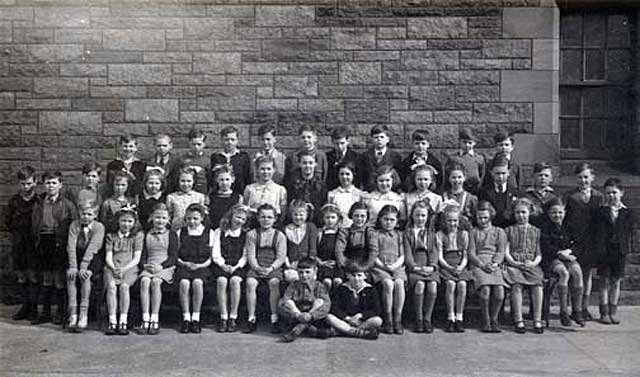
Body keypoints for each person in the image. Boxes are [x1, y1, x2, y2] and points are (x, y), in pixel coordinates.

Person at [31, 171, 77, 325]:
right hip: (42, 241)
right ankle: (45, 312)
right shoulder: (39, 202)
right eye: (48, 183)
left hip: (58, 242)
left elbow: (74, 224)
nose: (50, 186)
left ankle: (60, 312)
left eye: (54, 183)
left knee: (58, 278)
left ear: (60, 185)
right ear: (43, 184)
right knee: (45, 278)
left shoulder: (67, 204)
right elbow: (34, 221)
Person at [591, 178, 635, 325]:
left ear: (621, 193)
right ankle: (604, 313)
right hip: (604, 251)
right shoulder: (601, 211)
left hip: (619, 251)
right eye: (608, 193)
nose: (611, 196)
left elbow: (630, 232)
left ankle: (613, 312)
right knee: (604, 282)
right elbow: (596, 232)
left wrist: (627, 247)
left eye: (614, 192)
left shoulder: (627, 212)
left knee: (616, 282)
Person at [563, 163, 603, 321]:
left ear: (592, 178)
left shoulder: (599, 197)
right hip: (575, 241)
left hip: (591, 241)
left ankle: (584, 307)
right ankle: (575, 308)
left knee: (587, 276)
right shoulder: (570, 196)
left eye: (586, 177)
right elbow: (565, 220)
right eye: (580, 177)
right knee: (575, 274)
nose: (583, 180)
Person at [540, 197, 585, 327]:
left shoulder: (569, 225)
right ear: (548, 213)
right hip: (552, 258)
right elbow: (545, 246)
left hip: (568, 256)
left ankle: (577, 310)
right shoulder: (545, 227)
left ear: (564, 212)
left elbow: (578, 243)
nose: (557, 215)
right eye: (554, 213)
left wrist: (570, 251)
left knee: (577, 272)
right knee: (563, 273)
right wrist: (559, 253)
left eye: (560, 212)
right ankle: (563, 311)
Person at [243, 204, 287, 334]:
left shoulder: (279, 235)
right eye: (262, 217)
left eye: (269, 217)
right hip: (256, 265)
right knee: (250, 283)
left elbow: (281, 257)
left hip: (273, 266)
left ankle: (274, 318)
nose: (266, 220)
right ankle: (251, 318)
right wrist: (256, 267)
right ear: (257, 218)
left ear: (275, 219)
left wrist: (271, 268)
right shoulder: (252, 234)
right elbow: (250, 255)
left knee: (274, 283)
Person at [504, 198, 544, 334]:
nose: (520, 216)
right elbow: (506, 251)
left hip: (531, 264)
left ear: (530, 213)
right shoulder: (509, 230)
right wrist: (513, 262)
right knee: (517, 286)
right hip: (514, 264)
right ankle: (518, 319)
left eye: (523, 212)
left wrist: (534, 263)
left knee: (537, 286)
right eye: (517, 213)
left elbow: (539, 253)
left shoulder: (536, 231)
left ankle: (537, 320)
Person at [5, 166, 38, 322]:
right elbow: (8, 222)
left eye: (29, 183)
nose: (26, 187)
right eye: (23, 184)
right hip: (19, 242)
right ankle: (24, 306)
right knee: (21, 276)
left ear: (35, 182)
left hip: (33, 244)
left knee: (33, 275)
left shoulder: (38, 201)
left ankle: (33, 308)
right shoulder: (14, 201)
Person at [138, 203, 178, 335]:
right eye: (157, 217)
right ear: (151, 218)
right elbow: (142, 254)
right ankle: (145, 318)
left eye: (163, 218)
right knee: (144, 281)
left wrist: (161, 266)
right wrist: (145, 265)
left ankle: (155, 317)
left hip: (165, 266)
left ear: (168, 220)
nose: (160, 220)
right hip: (149, 265)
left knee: (155, 282)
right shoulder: (146, 234)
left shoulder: (171, 234)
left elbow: (173, 256)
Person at [65, 201, 105, 332]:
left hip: (93, 257)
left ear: (95, 215)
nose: (85, 217)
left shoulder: (99, 227)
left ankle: (83, 313)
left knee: (85, 276)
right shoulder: (74, 225)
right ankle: (73, 313)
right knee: (71, 276)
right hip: (77, 255)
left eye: (89, 214)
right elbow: (71, 246)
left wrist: (83, 267)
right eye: (83, 214)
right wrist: (73, 266)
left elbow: (94, 247)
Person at [103, 205, 143, 335]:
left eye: (130, 221)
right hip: (112, 267)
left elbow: (136, 258)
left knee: (124, 287)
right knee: (111, 286)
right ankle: (112, 321)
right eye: (123, 221)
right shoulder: (111, 236)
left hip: (129, 267)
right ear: (118, 221)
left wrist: (124, 269)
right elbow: (108, 256)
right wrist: (114, 268)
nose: (126, 224)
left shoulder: (137, 236)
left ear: (134, 222)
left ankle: (123, 321)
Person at [468, 201, 507, 333]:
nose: (482, 220)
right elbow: (471, 252)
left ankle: (494, 318)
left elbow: (501, 251)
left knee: (499, 292)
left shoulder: (499, 231)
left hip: (494, 264)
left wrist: (495, 263)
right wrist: (481, 264)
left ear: (491, 216)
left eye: (485, 217)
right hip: (479, 263)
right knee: (485, 291)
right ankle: (485, 320)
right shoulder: (473, 232)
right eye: (479, 218)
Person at [211, 204, 250, 333]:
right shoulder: (219, 232)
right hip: (221, 264)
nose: (239, 221)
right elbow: (216, 252)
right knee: (221, 281)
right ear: (231, 216)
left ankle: (233, 316)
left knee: (235, 281)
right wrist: (222, 264)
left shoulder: (246, 235)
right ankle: (223, 316)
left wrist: (236, 267)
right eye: (237, 217)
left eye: (243, 219)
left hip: (238, 265)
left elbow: (245, 255)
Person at [174, 203, 212, 334]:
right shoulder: (181, 232)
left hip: (202, 266)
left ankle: (196, 317)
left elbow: (211, 257)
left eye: (195, 218)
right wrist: (184, 263)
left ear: (202, 218)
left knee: (197, 283)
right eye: (189, 218)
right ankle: (186, 318)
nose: (192, 221)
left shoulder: (209, 233)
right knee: (184, 283)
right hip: (184, 265)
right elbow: (175, 254)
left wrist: (200, 265)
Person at [369, 204, 406, 335]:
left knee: (399, 283)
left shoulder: (399, 235)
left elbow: (403, 255)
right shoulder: (376, 234)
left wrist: (395, 266)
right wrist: (383, 266)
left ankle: (398, 319)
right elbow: (374, 255)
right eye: (386, 219)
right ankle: (388, 318)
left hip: (397, 265)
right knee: (388, 284)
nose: (389, 222)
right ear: (380, 219)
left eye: (392, 220)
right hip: (380, 267)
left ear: (396, 222)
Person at [404, 200, 439, 334]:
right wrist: (414, 267)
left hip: (429, 264)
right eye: (417, 215)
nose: (420, 219)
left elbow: (434, 252)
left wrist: (432, 266)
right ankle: (418, 318)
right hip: (415, 265)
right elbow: (407, 253)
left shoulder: (431, 233)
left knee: (432, 286)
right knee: (419, 284)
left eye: (423, 216)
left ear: (428, 217)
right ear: (412, 215)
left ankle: (427, 318)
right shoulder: (408, 233)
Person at [278, 258, 332, 342]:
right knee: (288, 302)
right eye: (301, 272)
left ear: (315, 271)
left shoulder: (319, 286)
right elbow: (284, 301)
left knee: (320, 302)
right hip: (297, 315)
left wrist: (311, 315)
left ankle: (299, 329)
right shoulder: (293, 285)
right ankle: (310, 329)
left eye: (307, 272)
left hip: (313, 316)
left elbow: (326, 304)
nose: (304, 275)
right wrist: (297, 314)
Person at [436, 204, 471, 333]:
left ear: (459, 221)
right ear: (445, 221)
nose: (452, 223)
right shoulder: (440, 234)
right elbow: (440, 256)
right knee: (450, 284)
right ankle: (450, 317)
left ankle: (459, 317)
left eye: (455, 220)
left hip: (460, 263)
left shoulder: (464, 234)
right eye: (449, 220)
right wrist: (449, 267)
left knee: (462, 285)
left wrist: (461, 267)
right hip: (447, 264)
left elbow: (466, 255)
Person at [326, 261, 382, 340]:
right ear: (347, 275)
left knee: (377, 320)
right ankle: (359, 333)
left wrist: (361, 316)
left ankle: (342, 331)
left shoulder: (371, 290)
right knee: (329, 317)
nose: (356, 279)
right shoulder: (341, 288)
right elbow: (334, 307)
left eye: (359, 275)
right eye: (353, 275)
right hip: (345, 320)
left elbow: (376, 309)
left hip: (361, 321)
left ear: (365, 276)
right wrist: (347, 318)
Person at [286, 150, 327, 226]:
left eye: (310, 163)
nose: (308, 166)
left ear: (315, 164)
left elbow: (323, 205)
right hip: (297, 221)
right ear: (299, 164)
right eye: (304, 163)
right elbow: (289, 203)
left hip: (316, 222)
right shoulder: (292, 184)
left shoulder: (321, 185)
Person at [478, 153, 519, 228]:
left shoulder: (516, 192)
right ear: (491, 173)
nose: (500, 177)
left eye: (503, 173)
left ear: (508, 173)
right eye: (497, 173)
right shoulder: (483, 192)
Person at [335, 201, 376, 272]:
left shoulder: (370, 232)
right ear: (351, 215)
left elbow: (373, 251)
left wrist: (365, 267)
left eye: (362, 216)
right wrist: (345, 265)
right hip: (348, 266)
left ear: (367, 217)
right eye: (356, 216)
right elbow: (339, 251)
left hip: (365, 267)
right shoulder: (344, 232)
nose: (359, 219)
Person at [283, 200, 318, 283]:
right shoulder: (284, 229)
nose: (298, 217)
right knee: (292, 277)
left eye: (301, 215)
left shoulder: (311, 227)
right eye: (295, 214)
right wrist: (288, 264)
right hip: (291, 265)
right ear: (291, 214)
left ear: (306, 215)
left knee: (308, 277)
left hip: (308, 265)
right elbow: (283, 251)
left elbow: (313, 250)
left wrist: (306, 264)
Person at [210, 126, 251, 196]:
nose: (229, 142)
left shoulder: (243, 156)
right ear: (222, 140)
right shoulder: (216, 157)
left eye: (232, 139)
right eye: (226, 140)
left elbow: (248, 177)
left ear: (237, 141)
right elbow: (211, 177)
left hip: (239, 193)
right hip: (220, 194)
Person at [244, 155, 288, 220]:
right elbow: (245, 209)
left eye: (268, 169)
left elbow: (283, 213)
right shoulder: (249, 188)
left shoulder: (280, 190)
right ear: (257, 170)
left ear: (274, 170)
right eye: (262, 169)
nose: (265, 172)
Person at [361, 125, 403, 192]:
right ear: (372, 139)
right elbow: (362, 176)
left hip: (389, 192)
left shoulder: (395, 156)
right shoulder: (365, 156)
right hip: (370, 192)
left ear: (387, 139)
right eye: (376, 137)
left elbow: (398, 178)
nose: (379, 139)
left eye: (382, 137)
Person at [326, 161, 366, 228]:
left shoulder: (360, 194)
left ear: (353, 175)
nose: (344, 177)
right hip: (338, 229)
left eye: (347, 174)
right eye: (341, 174)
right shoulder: (332, 194)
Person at [446, 128, 485, 194]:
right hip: (459, 188)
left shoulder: (479, 158)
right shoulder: (453, 158)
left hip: (476, 189)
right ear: (459, 142)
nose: (467, 145)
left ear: (474, 143)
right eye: (464, 142)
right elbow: (448, 174)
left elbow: (482, 174)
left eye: (470, 143)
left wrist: (479, 186)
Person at [166, 167, 206, 232]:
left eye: (189, 181)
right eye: (182, 181)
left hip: (194, 229)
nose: (186, 184)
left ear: (193, 181)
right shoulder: (171, 197)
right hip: (176, 229)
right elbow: (169, 216)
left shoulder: (200, 197)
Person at [442, 162, 478, 229]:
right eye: (453, 177)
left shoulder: (471, 198)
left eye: (459, 177)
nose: (457, 180)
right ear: (449, 179)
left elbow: (475, 218)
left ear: (464, 178)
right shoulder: (443, 197)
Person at [316, 204, 343, 292]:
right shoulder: (319, 233)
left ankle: (336, 302)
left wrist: (339, 261)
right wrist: (321, 262)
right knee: (327, 282)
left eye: (333, 217)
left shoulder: (341, 233)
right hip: (323, 264)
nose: (330, 220)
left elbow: (345, 251)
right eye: (327, 217)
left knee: (337, 281)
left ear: (338, 218)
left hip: (337, 265)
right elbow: (314, 252)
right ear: (323, 218)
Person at [326, 126, 361, 190]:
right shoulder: (327, 157)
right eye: (337, 144)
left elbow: (359, 177)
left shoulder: (356, 157)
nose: (339, 146)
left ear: (348, 141)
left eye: (342, 143)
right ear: (332, 142)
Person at [208, 164, 243, 229]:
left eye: (227, 180)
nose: (224, 183)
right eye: (221, 180)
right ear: (217, 180)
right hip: (214, 228)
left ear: (232, 180)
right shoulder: (211, 197)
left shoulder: (238, 197)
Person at [524, 162, 557, 227]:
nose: (543, 178)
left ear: (551, 178)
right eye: (540, 175)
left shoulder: (555, 196)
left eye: (546, 175)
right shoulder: (526, 195)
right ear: (533, 177)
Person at [180, 129, 210, 195]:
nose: (196, 147)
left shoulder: (208, 160)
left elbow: (211, 180)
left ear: (204, 144)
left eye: (199, 144)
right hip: (185, 192)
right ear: (189, 143)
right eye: (193, 144)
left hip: (203, 192)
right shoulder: (182, 159)